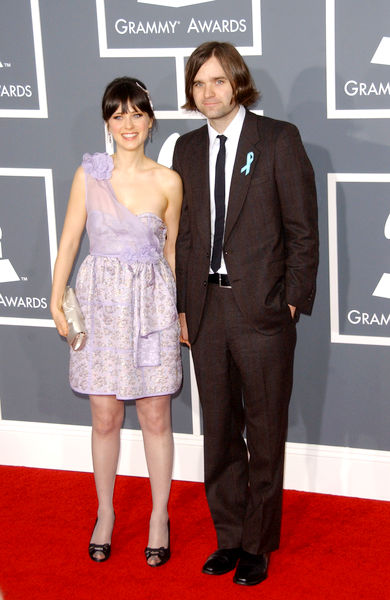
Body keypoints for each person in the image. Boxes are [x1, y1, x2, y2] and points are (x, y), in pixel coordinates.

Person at [173, 42, 318, 586]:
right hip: (206, 309)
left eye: (217, 81)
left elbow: (303, 231)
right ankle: (228, 537)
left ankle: (258, 544)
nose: (208, 92)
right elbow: (185, 237)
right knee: (219, 430)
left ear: (238, 83)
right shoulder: (185, 149)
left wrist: (291, 300)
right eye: (198, 83)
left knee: (264, 428)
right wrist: (184, 307)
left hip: (261, 310)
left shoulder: (278, 138)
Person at [50, 77, 182, 566]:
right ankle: (104, 513)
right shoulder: (90, 174)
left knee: (154, 415)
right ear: (107, 123)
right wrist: (55, 296)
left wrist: (180, 313)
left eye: (136, 113)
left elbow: (171, 254)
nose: (128, 123)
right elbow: (68, 241)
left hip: (151, 307)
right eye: (117, 114)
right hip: (101, 304)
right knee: (104, 416)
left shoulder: (169, 181)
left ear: (151, 120)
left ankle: (158, 516)